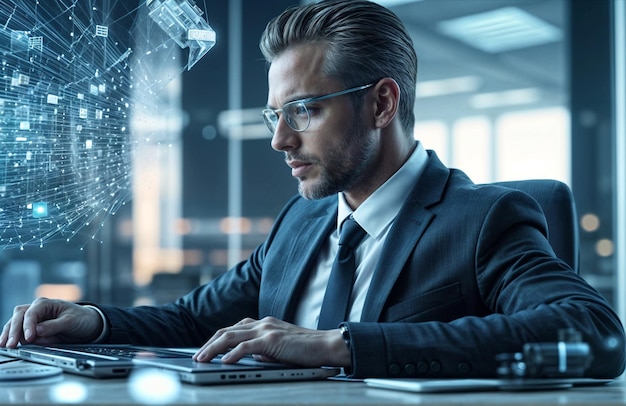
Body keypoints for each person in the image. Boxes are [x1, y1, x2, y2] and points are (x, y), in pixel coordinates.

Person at [1, 0, 625, 379]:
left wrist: (337, 345)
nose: (279, 142)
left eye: (303, 111)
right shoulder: (301, 225)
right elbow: (195, 320)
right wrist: (92, 321)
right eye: (276, 115)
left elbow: (591, 330)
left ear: (382, 103)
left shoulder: (484, 218)